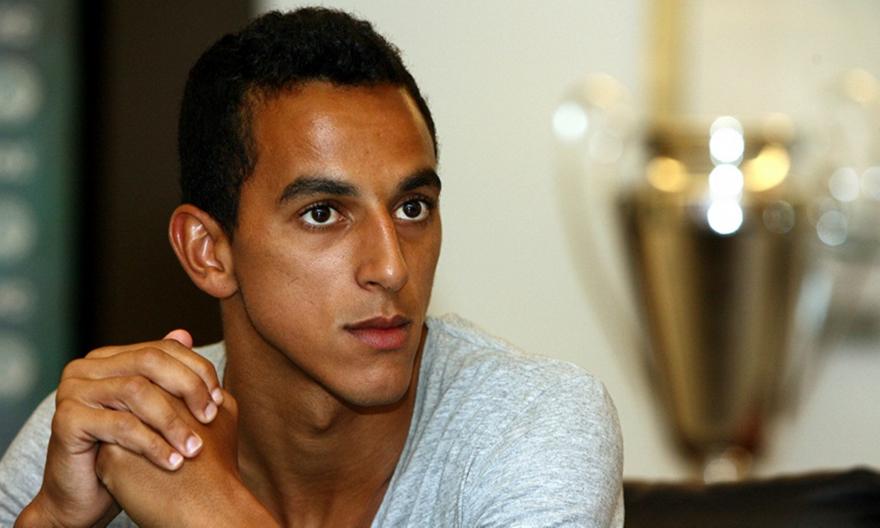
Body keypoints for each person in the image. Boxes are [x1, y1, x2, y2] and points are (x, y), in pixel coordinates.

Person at [1, 7, 623, 527]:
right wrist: (51, 521)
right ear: (208, 251)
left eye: (412, 207)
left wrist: (209, 511)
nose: (391, 268)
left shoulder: (528, 423)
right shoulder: (112, 427)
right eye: (323, 213)